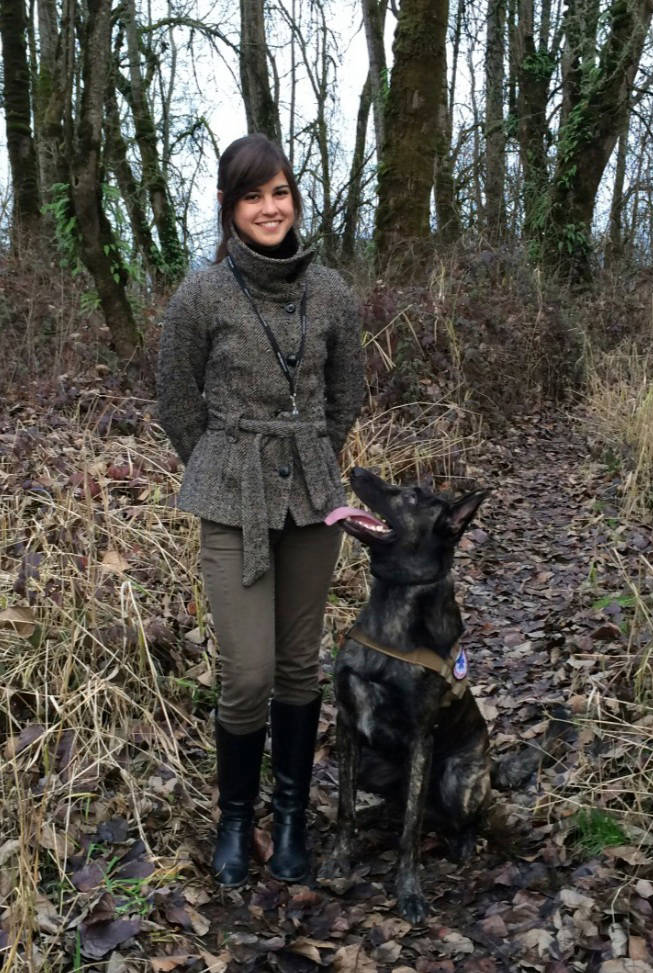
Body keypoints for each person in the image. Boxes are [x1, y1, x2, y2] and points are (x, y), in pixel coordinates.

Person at [156, 133, 364, 888]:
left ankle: (291, 818)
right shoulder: (201, 295)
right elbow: (176, 399)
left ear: (295, 199)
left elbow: (347, 394)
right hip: (231, 495)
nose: (269, 208)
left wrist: (312, 452)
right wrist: (219, 467)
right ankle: (237, 819)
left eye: (280, 192)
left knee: (298, 666)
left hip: (312, 498)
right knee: (245, 672)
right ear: (228, 206)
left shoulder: (333, 292)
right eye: (253, 195)